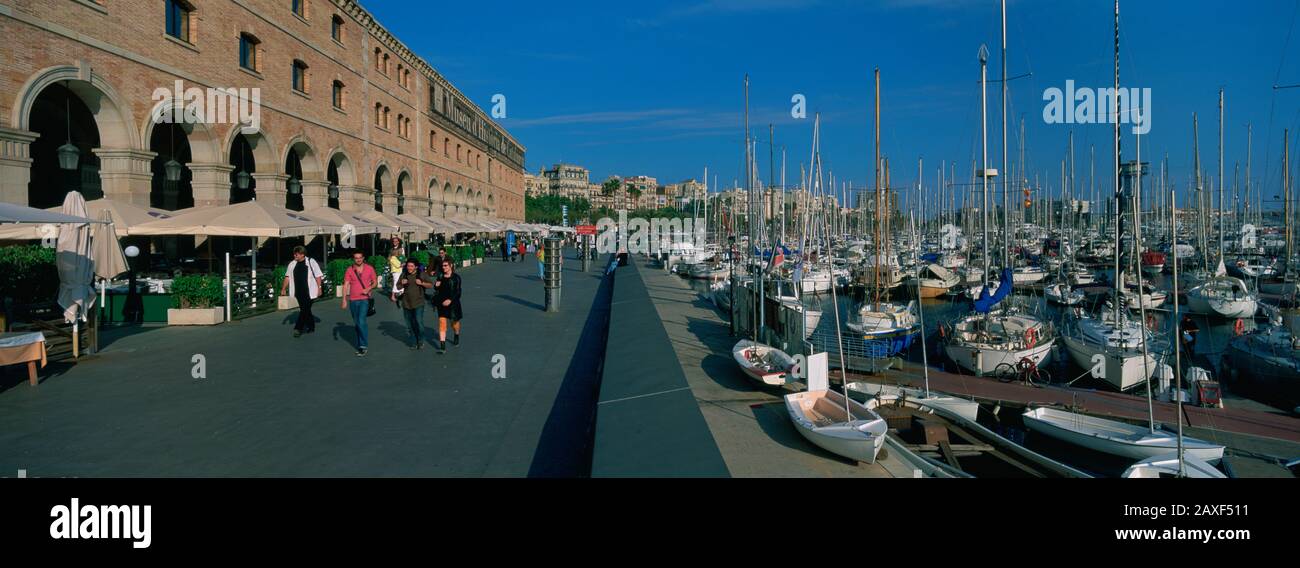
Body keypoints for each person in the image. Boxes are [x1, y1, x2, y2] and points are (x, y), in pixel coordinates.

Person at [280, 246, 324, 337]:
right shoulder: (292, 264)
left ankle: (298, 328)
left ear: (302, 254)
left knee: (304, 310)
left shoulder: (311, 262)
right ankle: (311, 326)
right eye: (294, 254)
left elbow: (318, 275)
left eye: (296, 254)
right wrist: (283, 288)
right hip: (298, 292)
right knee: (306, 310)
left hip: (310, 291)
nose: (294, 255)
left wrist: (319, 288)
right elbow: (287, 277)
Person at [341, 250, 378, 356]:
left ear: (363, 258)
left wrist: (369, 288)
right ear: (354, 259)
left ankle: (363, 345)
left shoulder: (369, 268)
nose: (358, 259)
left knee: (361, 321)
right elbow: (346, 285)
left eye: (360, 257)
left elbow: (375, 282)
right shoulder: (349, 270)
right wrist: (344, 299)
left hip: (364, 299)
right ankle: (361, 342)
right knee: (357, 323)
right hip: (353, 299)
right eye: (356, 258)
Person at [396, 259, 432, 349]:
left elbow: (431, 285)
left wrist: (422, 283)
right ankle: (413, 341)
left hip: (419, 303)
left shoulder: (422, 274)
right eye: (408, 266)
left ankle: (420, 340)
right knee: (409, 325)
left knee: (419, 323)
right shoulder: (404, 274)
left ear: (416, 267)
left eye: (411, 266)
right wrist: (402, 283)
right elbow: (398, 286)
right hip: (406, 303)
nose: (409, 268)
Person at [432, 258, 463, 352]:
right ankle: (442, 347)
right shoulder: (440, 276)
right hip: (441, 303)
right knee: (442, 323)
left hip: (453, 304)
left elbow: (458, 292)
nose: (444, 267)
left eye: (446, 265)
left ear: (451, 266)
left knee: (454, 324)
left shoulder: (456, 277)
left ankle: (456, 334)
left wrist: (450, 300)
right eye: (442, 266)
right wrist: (436, 286)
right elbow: (436, 288)